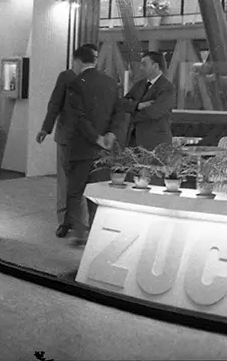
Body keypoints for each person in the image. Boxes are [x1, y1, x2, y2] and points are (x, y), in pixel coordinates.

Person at [60, 47, 128, 245]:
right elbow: (119, 112)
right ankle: (97, 234)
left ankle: (80, 234)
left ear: (78, 61)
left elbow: (78, 118)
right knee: (96, 193)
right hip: (104, 150)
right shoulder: (110, 82)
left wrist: (95, 137)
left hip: (82, 147)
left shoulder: (75, 84)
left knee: (75, 192)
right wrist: (110, 135)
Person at [37, 43, 97, 238]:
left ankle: (86, 222)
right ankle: (65, 221)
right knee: (65, 182)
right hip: (66, 138)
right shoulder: (67, 77)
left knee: (86, 182)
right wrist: (46, 128)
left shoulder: (97, 79)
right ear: (76, 60)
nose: (92, 62)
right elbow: (55, 103)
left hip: (88, 139)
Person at [124, 51, 176, 150]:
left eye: (144, 64)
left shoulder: (167, 88)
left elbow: (153, 112)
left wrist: (131, 113)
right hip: (133, 143)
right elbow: (123, 103)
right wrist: (138, 106)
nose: (140, 68)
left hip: (156, 144)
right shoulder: (139, 84)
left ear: (155, 66)